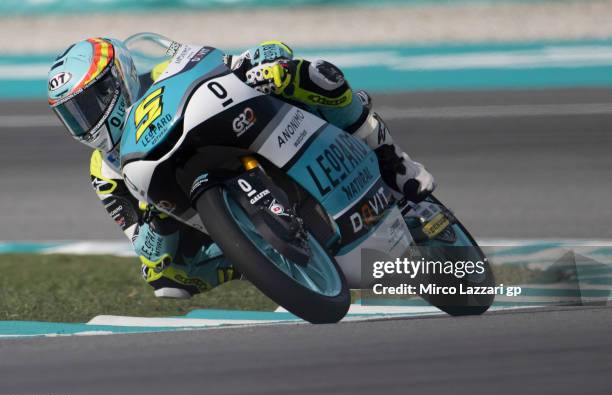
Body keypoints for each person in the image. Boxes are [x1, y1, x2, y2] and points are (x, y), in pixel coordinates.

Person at [47, 37, 435, 299]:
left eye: (89, 104)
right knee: (166, 279)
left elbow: (235, 61)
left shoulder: (165, 72)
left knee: (316, 75)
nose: (87, 121)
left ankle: (391, 157)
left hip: (243, 130)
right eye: (72, 116)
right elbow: (143, 247)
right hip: (188, 204)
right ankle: (257, 258)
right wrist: (153, 219)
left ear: (118, 78)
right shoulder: (104, 170)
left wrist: (261, 62)